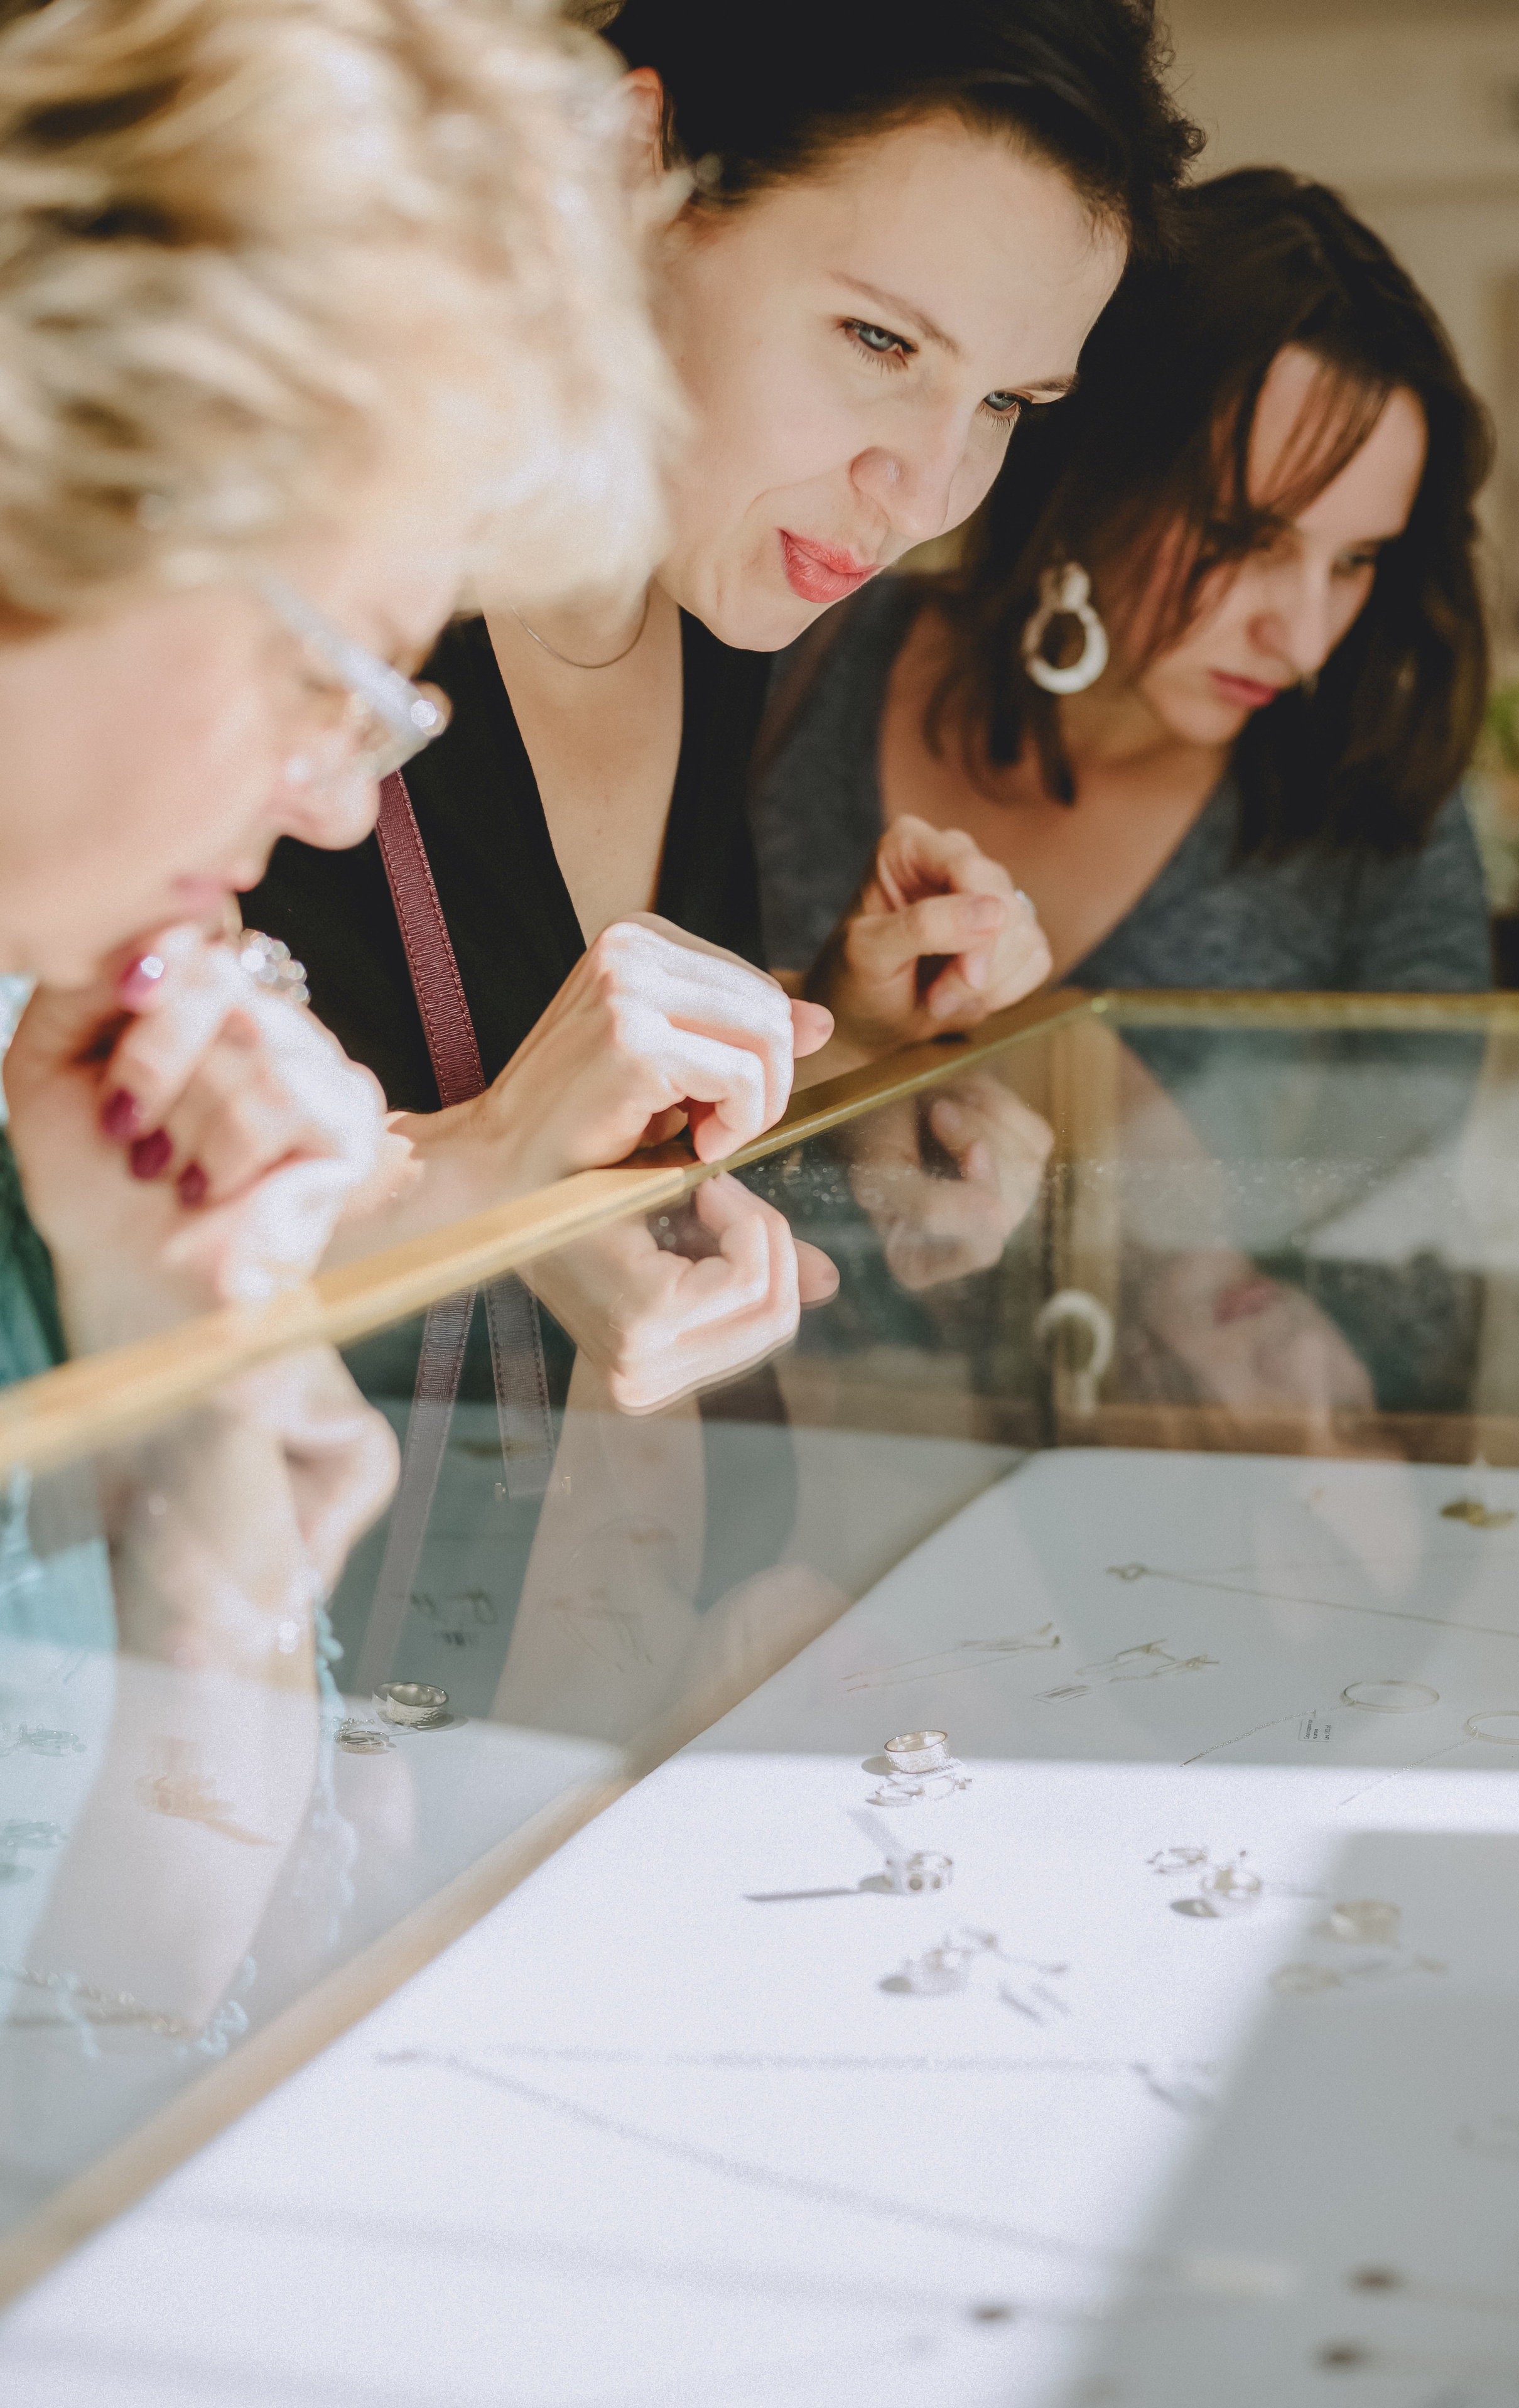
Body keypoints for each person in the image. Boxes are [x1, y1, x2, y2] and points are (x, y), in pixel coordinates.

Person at [0, 0, 673, 2099]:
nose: (325, 802)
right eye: (335, 674)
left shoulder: (66, 1077)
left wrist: (195, 1473)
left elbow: (97, 2056)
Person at [247, 0, 1201, 1233]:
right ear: (629, 166)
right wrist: (487, 1154)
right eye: (880, 340)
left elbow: (586, 1148)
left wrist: (841, 1044)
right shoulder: (283, 570)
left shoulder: (722, 593)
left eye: (1006, 403)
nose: (925, 496)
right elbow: (73, 1229)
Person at [754, 166, 1496, 1000]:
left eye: (1356, 560)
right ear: (1091, 475)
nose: (1303, 640)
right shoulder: (791, 657)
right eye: (1245, 540)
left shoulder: (1377, 791)